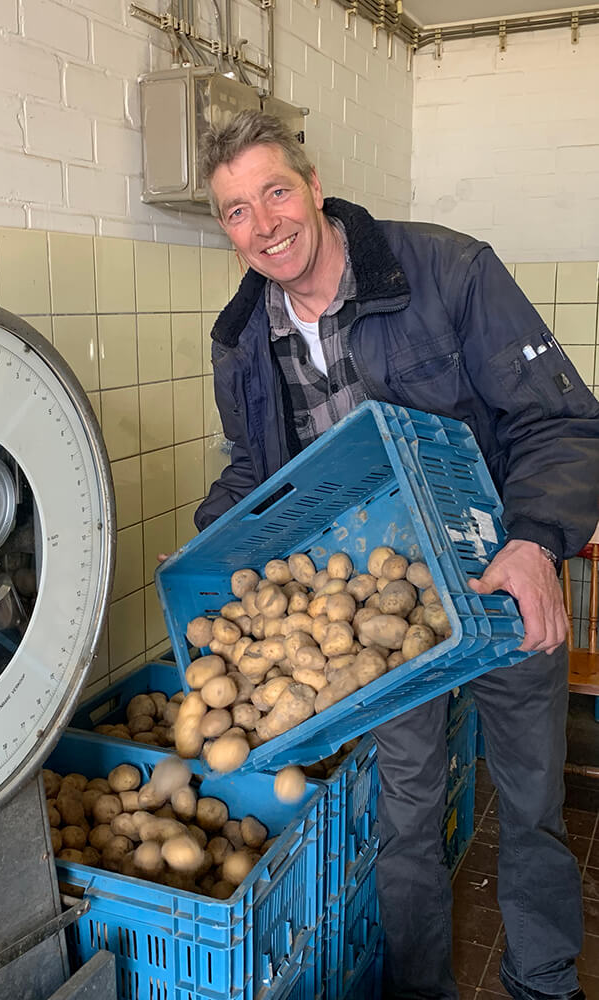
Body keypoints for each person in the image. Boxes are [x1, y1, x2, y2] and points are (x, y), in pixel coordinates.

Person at [191, 110, 599, 999]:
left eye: (275, 193)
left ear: (314, 187)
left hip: (497, 579)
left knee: (531, 804)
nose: (264, 225)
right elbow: (258, 471)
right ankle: (420, 990)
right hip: (380, 614)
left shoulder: (449, 270)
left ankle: (544, 980)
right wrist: (213, 546)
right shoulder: (242, 338)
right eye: (236, 211)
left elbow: (562, 421)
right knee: (406, 815)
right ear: (224, 227)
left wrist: (536, 542)